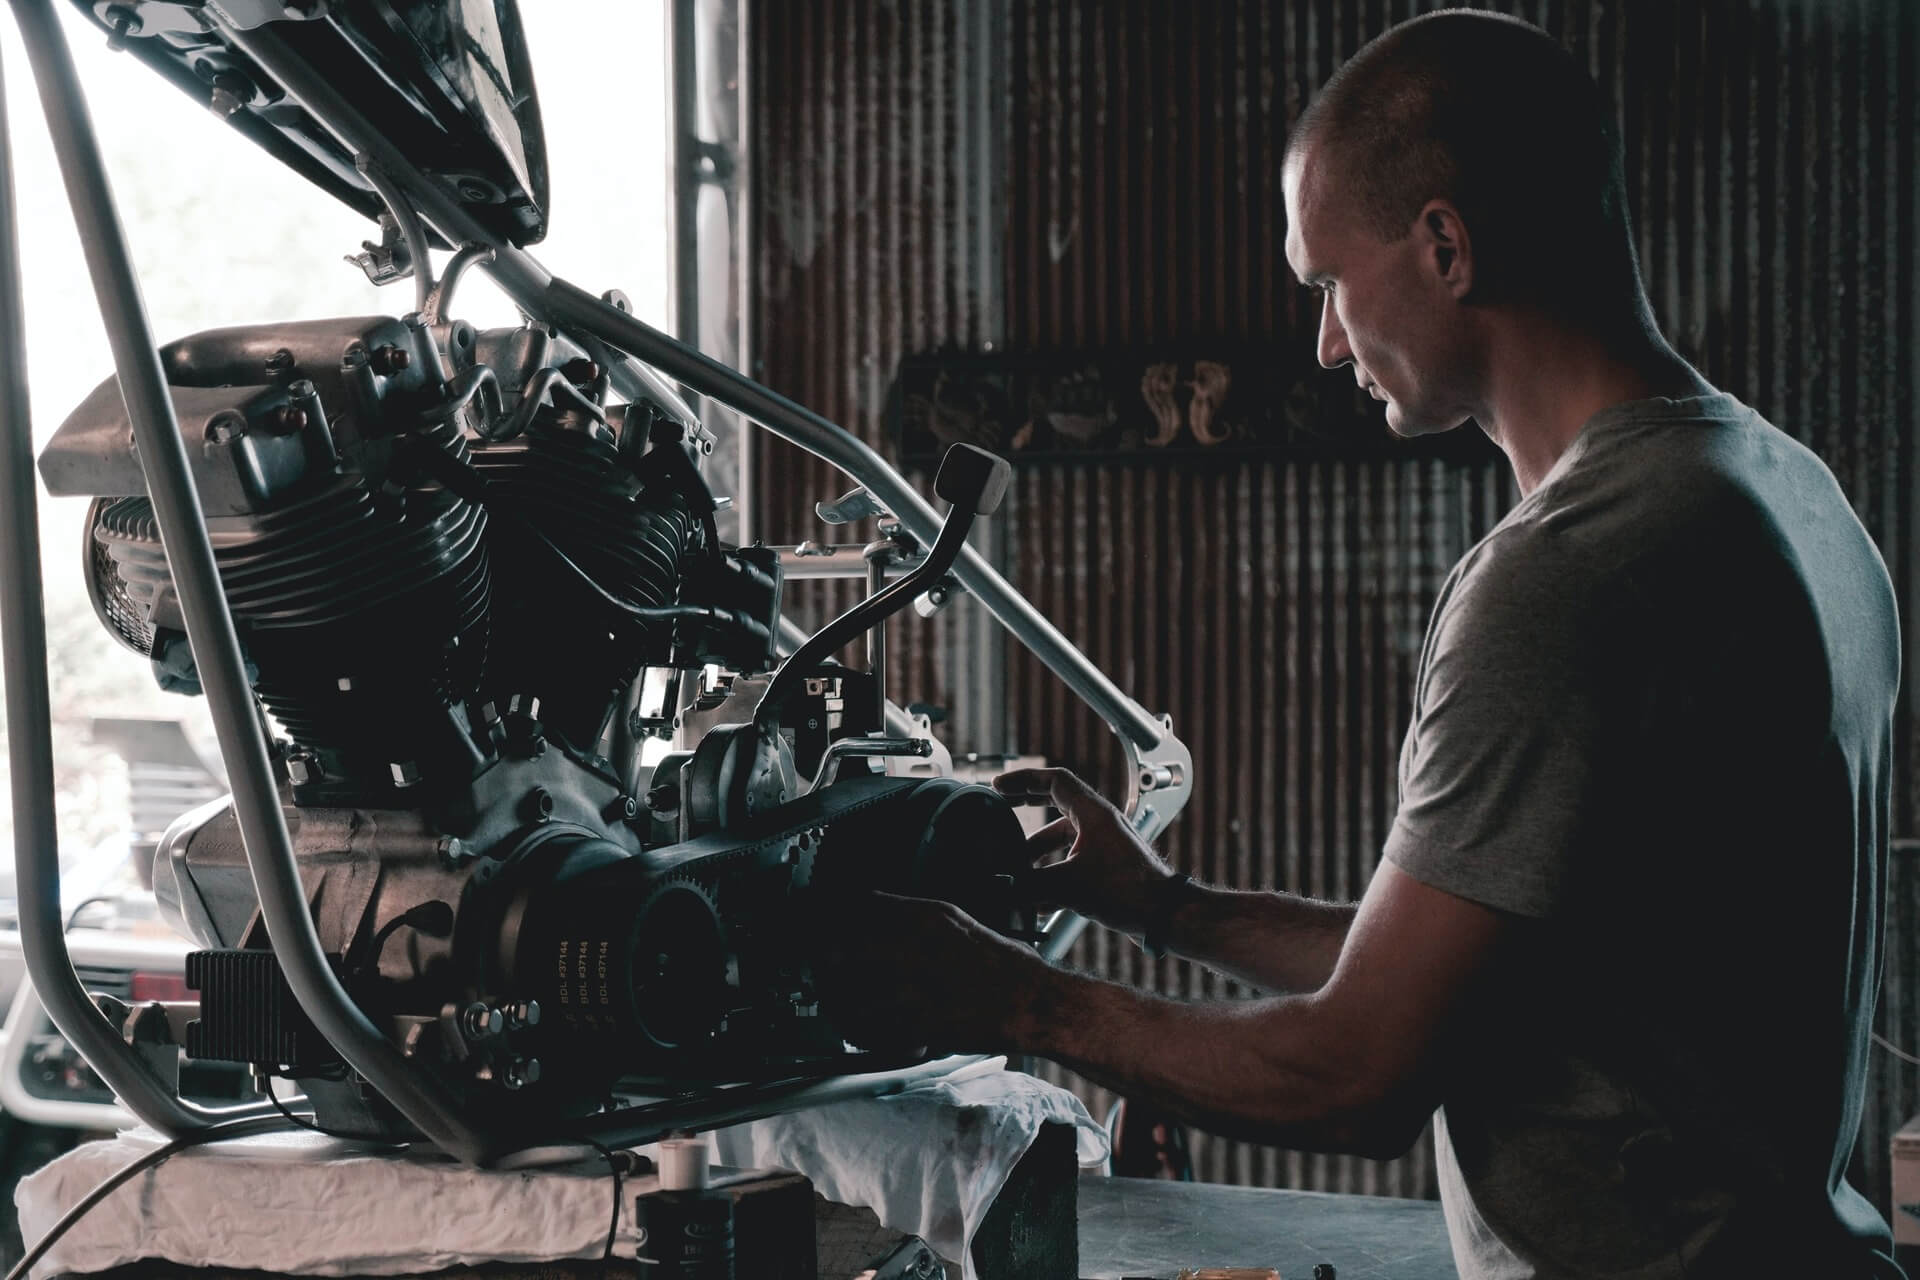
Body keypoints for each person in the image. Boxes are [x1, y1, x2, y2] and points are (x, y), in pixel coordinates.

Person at [815, 10, 1904, 1276]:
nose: (1326, 339)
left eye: (1329, 283)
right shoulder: (1789, 494)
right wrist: (1160, 906)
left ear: (1445, 245)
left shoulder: (1567, 575)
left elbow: (1358, 1074)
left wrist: (1011, 998)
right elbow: (1486, 968)